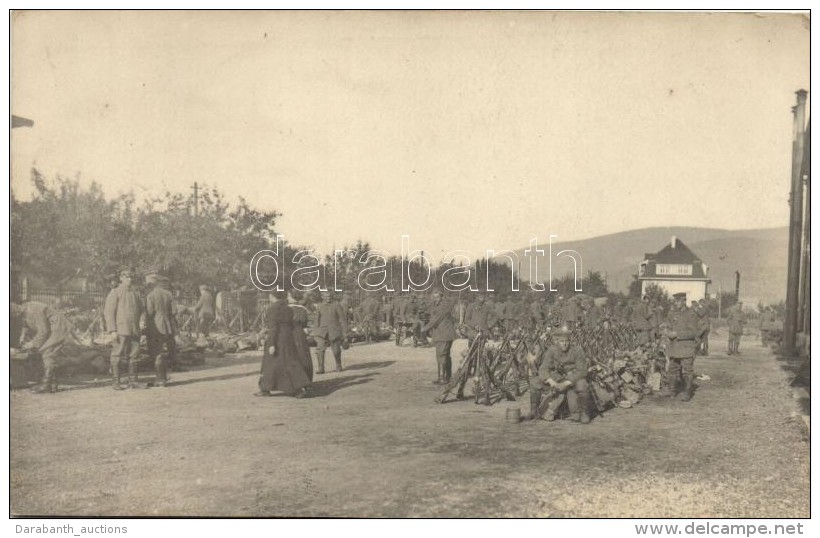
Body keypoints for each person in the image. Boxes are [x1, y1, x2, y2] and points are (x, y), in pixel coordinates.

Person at [528, 325, 591, 423]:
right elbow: (543, 369)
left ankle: (584, 413)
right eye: (562, 341)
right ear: (557, 341)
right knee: (534, 382)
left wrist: (566, 383)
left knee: (582, 384)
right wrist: (551, 382)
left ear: (570, 341)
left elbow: (582, 371)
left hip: (572, 380)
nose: (564, 344)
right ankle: (534, 411)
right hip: (557, 379)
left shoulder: (577, 350)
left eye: (566, 341)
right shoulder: (552, 351)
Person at [256, 290, 311, 397]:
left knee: (270, 364)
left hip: (277, 338)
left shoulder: (272, 309)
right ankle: (299, 387)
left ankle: (265, 388)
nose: (270, 299)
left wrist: (272, 343)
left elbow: (274, 328)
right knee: (290, 362)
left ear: (273, 297)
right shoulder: (288, 309)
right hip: (288, 338)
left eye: (270, 297)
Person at [11, 301, 74, 394]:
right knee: (47, 353)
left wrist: (32, 344)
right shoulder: (25, 308)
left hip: (58, 328)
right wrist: (23, 336)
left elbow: (43, 331)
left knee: (47, 353)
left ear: (16, 312)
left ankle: (46, 385)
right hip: (52, 328)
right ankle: (52, 384)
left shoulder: (33, 310)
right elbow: (25, 322)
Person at [104, 268, 146, 390]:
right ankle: (116, 382)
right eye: (127, 277)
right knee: (117, 354)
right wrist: (112, 330)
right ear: (121, 278)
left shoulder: (136, 293)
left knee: (134, 355)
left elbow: (142, 310)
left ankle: (133, 381)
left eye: (131, 277)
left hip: (134, 329)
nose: (130, 279)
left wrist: (142, 320)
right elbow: (109, 312)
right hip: (120, 329)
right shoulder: (115, 292)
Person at [661, 292, 700, 401]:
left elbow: (693, 332)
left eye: (678, 301)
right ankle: (672, 391)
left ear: (684, 301)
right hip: (674, 348)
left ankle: (687, 393)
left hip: (686, 348)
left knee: (687, 371)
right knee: (672, 370)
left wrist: (677, 334)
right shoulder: (672, 313)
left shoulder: (691, 314)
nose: (676, 303)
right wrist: (666, 331)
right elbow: (668, 324)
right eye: (675, 300)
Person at [145, 275, 177, 387]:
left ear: (151, 284)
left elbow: (149, 313)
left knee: (157, 352)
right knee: (163, 351)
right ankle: (163, 377)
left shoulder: (150, 295)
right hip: (167, 326)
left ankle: (160, 379)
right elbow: (174, 311)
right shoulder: (168, 294)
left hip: (156, 327)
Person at [422, 290, 457, 385]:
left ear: (441, 297)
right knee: (444, 356)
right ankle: (446, 377)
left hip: (444, 335)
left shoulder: (442, 307)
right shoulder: (438, 306)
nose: (434, 299)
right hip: (443, 334)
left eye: (437, 297)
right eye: (433, 297)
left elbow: (435, 321)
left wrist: (423, 329)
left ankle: (442, 378)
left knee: (441, 355)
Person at [313, 291, 349, 373]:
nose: (328, 298)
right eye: (326, 296)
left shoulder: (336, 305)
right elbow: (316, 320)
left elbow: (342, 319)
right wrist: (315, 331)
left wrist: (345, 332)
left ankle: (338, 365)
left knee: (336, 349)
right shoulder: (319, 306)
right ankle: (321, 368)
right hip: (322, 331)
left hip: (334, 330)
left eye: (329, 296)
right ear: (323, 297)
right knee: (320, 349)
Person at [288, 290, 314, 382]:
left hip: (289, 335)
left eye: (288, 295)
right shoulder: (304, 309)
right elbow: (310, 324)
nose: (287, 297)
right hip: (301, 335)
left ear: (292, 297)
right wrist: (306, 330)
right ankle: (306, 379)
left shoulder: (287, 309)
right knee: (303, 356)